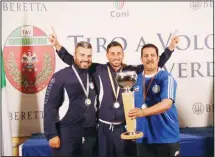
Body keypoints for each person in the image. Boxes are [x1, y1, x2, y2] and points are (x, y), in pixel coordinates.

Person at [49, 28, 179, 157]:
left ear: (123, 55)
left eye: (119, 53)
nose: (116, 56)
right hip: (104, 128)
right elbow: (75, 61)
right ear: (107, 55)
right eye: (112, 53)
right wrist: (57, 46)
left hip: (124, 127)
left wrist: (170, 48)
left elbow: (153, 64)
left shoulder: (131, 71)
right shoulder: (98, 69)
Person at [43, 41, 98, 157]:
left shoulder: (93, 73)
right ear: (75, 55)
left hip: (90, 133)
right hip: (67, 133)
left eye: (89, 56)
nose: (86, 59)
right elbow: (50, 106)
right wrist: (51, 134)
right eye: (82, 55)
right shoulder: (60, 77)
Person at [128, 43, 180, 157]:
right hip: (142, 138)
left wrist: (142, 112)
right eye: (146, 56)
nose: (149, 58)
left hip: (166, 137)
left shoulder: (166, 77)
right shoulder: (134, 80)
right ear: (141, 59)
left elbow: (167, 104)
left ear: (158, 58)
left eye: (152, 55)